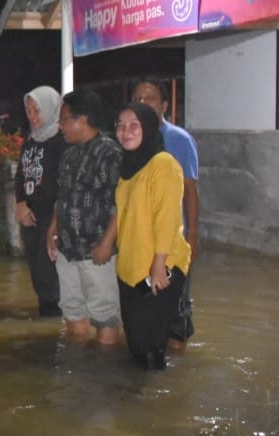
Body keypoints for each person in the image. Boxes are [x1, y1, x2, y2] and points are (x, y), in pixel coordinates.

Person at [114, 102, 191, 370]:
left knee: (150, 344)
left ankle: (157, 404)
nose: (126, 131)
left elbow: (168, 217)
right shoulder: (127, 168)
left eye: (134, 125)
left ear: (147, 127)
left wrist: (159, 264)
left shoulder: (163, 164)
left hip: (160, 268)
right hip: (130, 268)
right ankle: (137, 404)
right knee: (136, 346)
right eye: (121, 126)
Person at [45, 89, 122, 345]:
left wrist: (107, 243)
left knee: (104, 316)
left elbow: (121, 204)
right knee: (72, 310)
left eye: (65, 119)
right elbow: (63, 197)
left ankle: (103, 372)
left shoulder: (110, 153)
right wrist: (52, 231)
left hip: (96, 249)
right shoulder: (69, 155)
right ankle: (78, 368)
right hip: (67, 248)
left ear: (83, 119)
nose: (61, 125)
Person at [131, 78, 199, 349]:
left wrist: (193, 235)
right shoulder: (129, 140)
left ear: (165, 105)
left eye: (150, 98)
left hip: (172, 245)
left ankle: (177, 380)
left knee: (174, 317)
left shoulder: (180, 140)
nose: (144, 103)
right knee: (142, 310)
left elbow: (190, 190)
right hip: (138, 245)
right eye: (138, 98)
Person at [14, 86, 67, 317]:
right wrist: (21, 202)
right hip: (30, 216)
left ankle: (54, 325)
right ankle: (46, 322)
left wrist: (51, 215)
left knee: (49, 274)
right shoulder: (32, 139)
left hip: (52, 215)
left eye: (37, 110)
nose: (32, 116)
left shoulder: (62, 140)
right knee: (37, 274)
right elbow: (21, 174)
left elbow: (62, 182)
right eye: (28, 111)